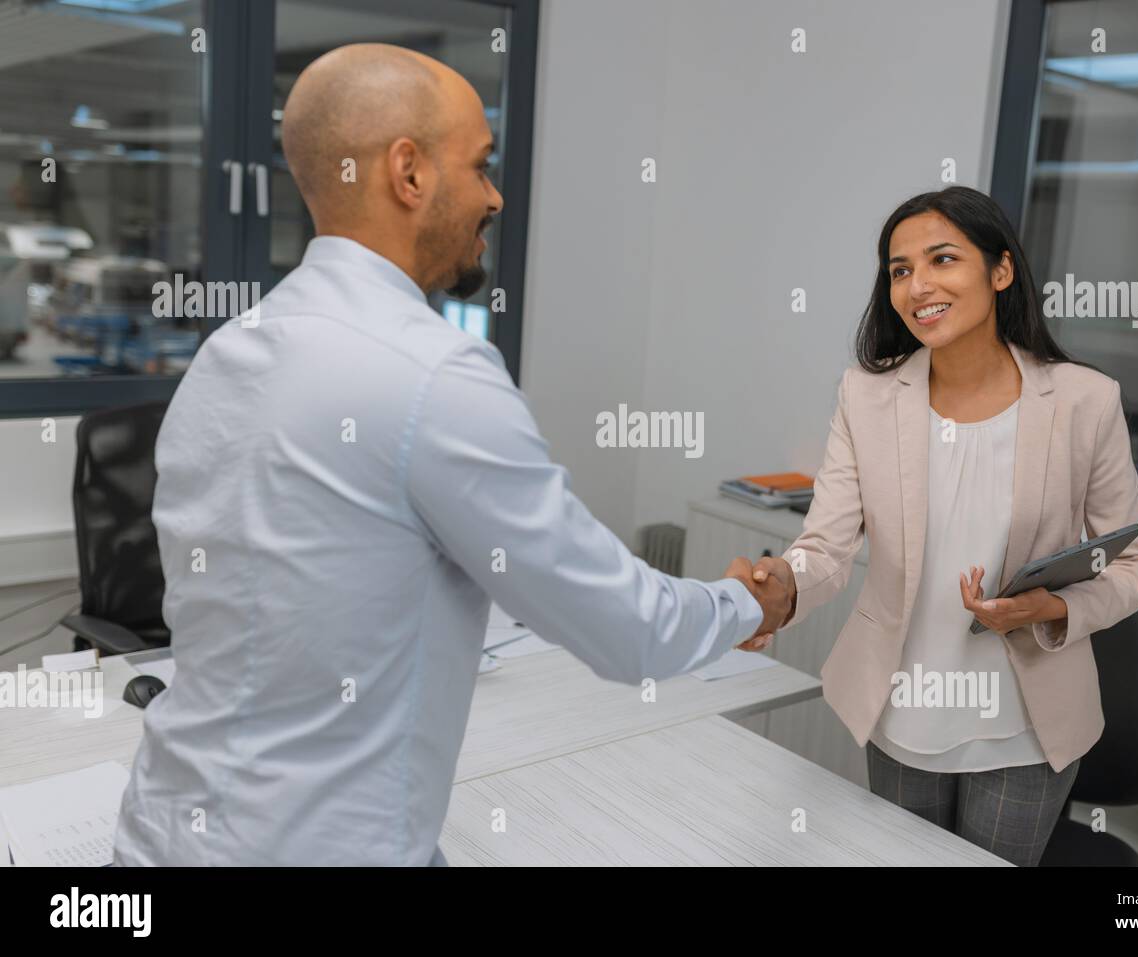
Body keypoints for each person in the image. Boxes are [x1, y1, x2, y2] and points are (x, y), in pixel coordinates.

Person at [113, 44, 789, 866]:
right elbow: (628, 632)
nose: (495, 195)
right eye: (482, 164)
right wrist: (754, 600)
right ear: (409, 172)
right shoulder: (434, 372)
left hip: (160, 839)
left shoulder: (227, 352)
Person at [736, 186, 1138, 866]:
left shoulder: (1084, 400)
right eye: (900, 270)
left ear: (1000, 271)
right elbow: (826, 546)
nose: (918, 285)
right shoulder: (866, 395)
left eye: (941, 259)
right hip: (903, 710)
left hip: (1024, 726)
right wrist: (779, 585)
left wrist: (1052, 605)